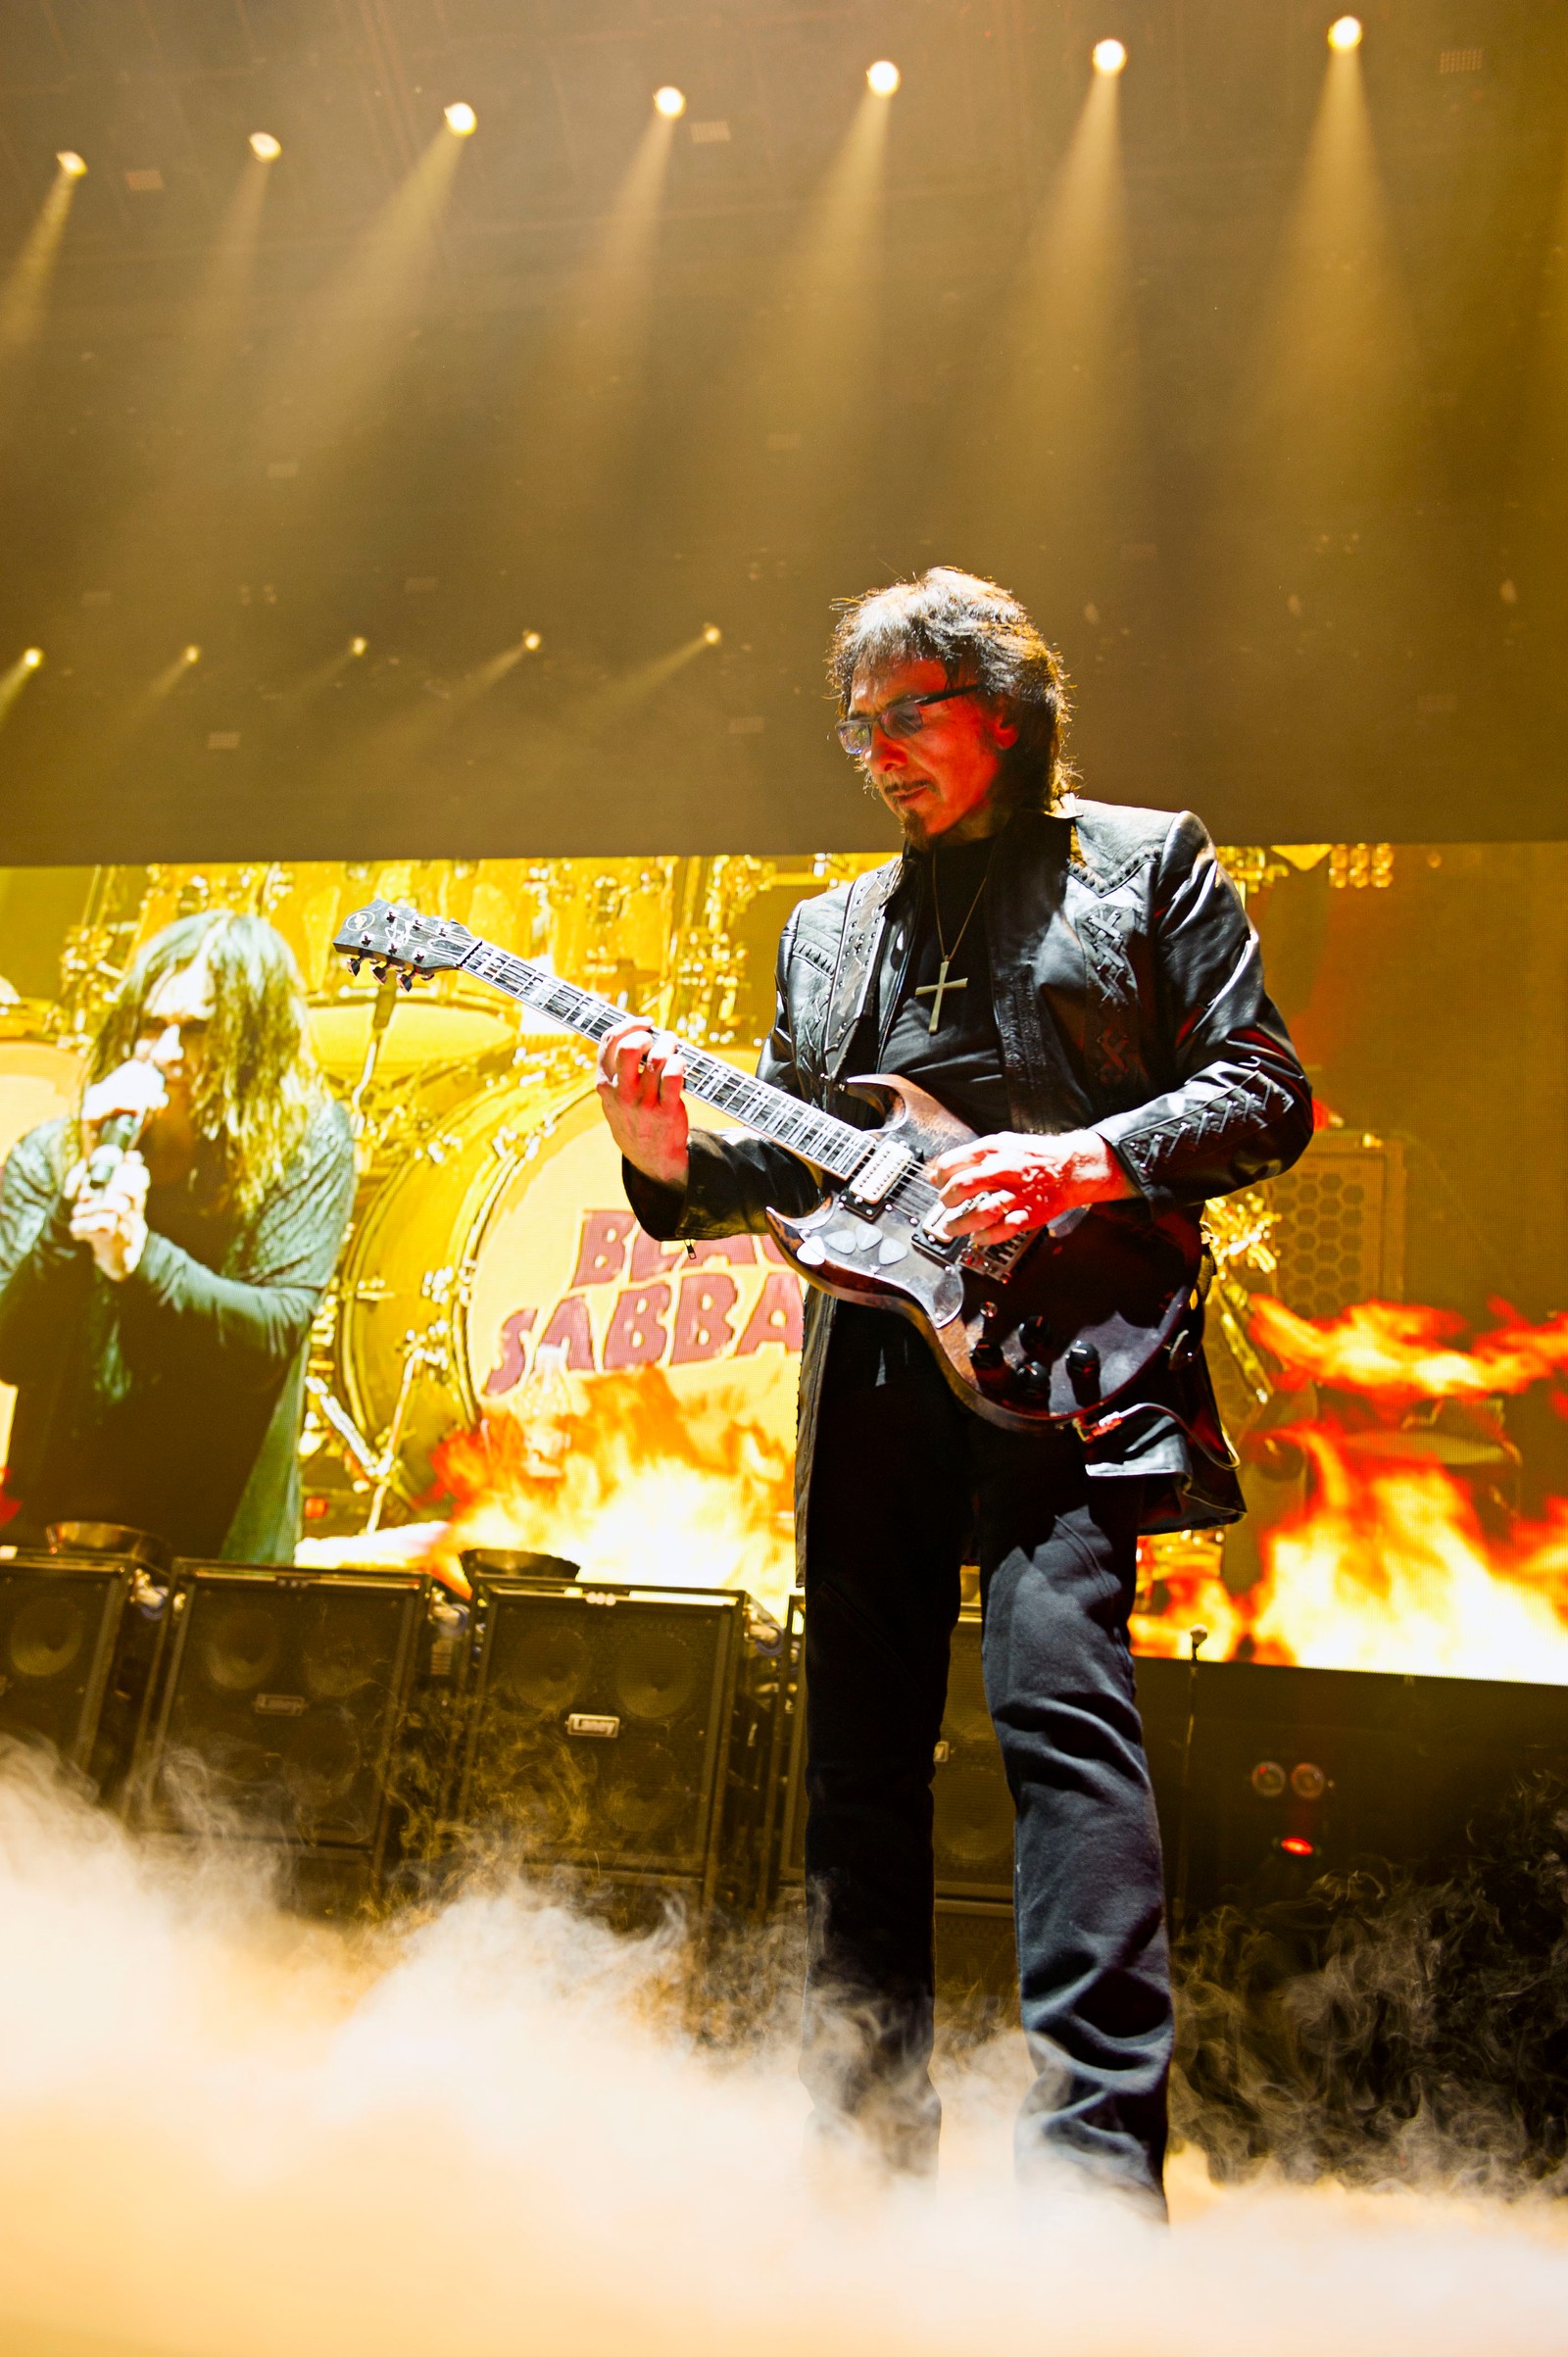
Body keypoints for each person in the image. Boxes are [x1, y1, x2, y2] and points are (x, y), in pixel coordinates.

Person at [595, 568, 1313, 2209]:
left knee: (1064, 1739)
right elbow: (785, 1159)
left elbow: (1266, 1091)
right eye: (859, 727)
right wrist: (667, 1159)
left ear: (1004, 703)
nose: (879, 750)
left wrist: (1081, 1164)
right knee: (855, 1758)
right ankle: (860, 2146)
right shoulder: (828, 929)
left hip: (1067, 1368)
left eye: (906, 713)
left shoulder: (1148, 862)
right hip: (870, 1369)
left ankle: (1092, 2172)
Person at [0, 911, 355, 1563]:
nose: (166, 1052)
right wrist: (74, 1208)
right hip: (58, 1549)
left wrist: (142, 1259)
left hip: (217, 1558)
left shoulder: (303, 1148)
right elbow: (8, 1351)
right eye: (150, 1026)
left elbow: (271, 1334)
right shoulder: (51, 1158)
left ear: (256, 1042)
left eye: (198, 1031)